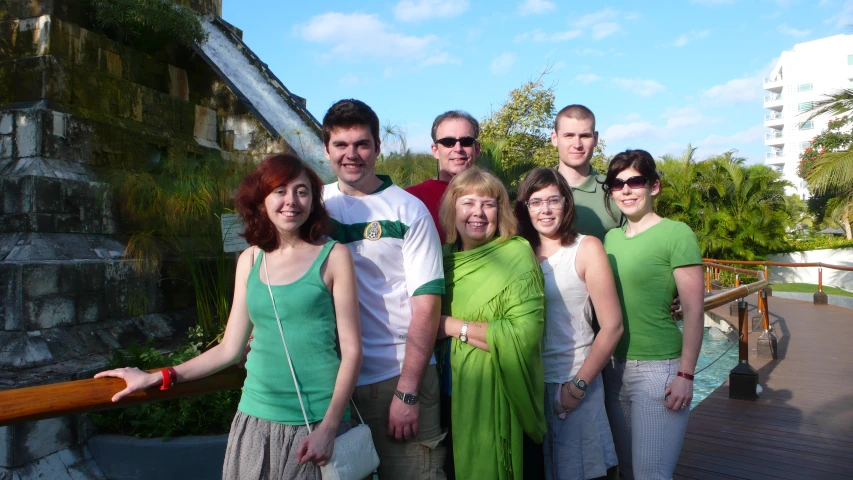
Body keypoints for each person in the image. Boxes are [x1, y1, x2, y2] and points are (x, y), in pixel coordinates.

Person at [95, 154, 363, 480]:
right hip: (255, 418)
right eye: (279, 190)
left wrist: (330, 426)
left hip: (317, 421)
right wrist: (159, 376)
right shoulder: (250, 260)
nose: (291, 201)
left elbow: (351, 351)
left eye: (302, 191)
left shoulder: (334, 256)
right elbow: (230, 349)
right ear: (261, 201)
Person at [320, 99, 447, 478]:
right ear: (326, 149)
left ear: (377, 146)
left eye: (361, 144)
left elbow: (426, 306)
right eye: (340, 145)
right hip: (330, 382)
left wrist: (407, 392)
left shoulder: (407, 210)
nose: (351, 154)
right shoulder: (312, 206)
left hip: (395, 377)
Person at [436, 167, 547, 480]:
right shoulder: (440, 259)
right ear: (452, 210)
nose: (478, 213)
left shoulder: (516, 254)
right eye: (467, 203)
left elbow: (524, 336)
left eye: (488, 204)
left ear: (501, 211)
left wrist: (449, 326)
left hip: (502, 401)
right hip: (445, 401)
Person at [600, 150, 704, 480]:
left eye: (635, 181)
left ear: (654, 187)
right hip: (614, 369)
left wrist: (686, 375)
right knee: (628, 471)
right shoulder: (610, 238)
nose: (626, 190)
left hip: (659, 370)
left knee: (651, 474)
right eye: (617, 183)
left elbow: (693, 309)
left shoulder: (676, 233)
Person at [516, 168, 623, 480]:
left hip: (573, 381)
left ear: (566, 203)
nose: (545, 209)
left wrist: (577, 387)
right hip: (528, 386)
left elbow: (613, 325)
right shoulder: (517, 250)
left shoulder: (586, 248)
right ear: (525, 207)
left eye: (553, 200)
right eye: (536, 202)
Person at [551, 104, 624, 242]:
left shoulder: (616, 191)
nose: (577, 144)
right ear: (555, 138)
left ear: (595, 138)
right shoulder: (536, 190)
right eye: (569, 135)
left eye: (584, 136)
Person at [406, 110, 481, 240]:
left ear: (477, 149)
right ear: (435, 150)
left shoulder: (492, 196)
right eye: (448, 142)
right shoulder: (412, 198)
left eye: (466, 141)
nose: (458, 148)